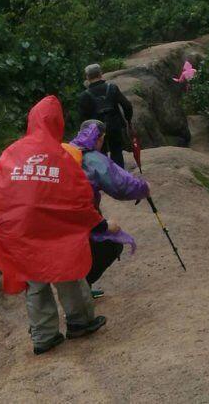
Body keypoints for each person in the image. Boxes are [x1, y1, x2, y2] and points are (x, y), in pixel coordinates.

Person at [0, 95, 116, 355]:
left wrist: (2, 227)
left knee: (34, 283)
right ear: (57, 122)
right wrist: (97, 224)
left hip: (21, 231)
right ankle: (80, 322)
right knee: (67, 272)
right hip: (56, 231)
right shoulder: (61, 154)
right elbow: (79, 196)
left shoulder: (12, 152)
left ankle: (44, 337)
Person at [65, 120, 150, 297]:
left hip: (59, 216)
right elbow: (120, 185)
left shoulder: (64, 150)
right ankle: (82, 290)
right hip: (82, 215)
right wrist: (143, 189)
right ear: (100, 138)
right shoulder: (92, 158)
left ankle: (81, 289)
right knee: (111, 242)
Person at [79, 63, 133, 168]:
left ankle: (106, 179)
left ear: (87, 77)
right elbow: (127, 105)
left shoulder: (84, 96)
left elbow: (83, 118)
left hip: (97, 130)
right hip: (115, 125)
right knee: (117, 151)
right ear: (101, 74)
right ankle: (119, 177)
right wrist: (128, 120)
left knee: (101, 154)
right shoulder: (112, 88)